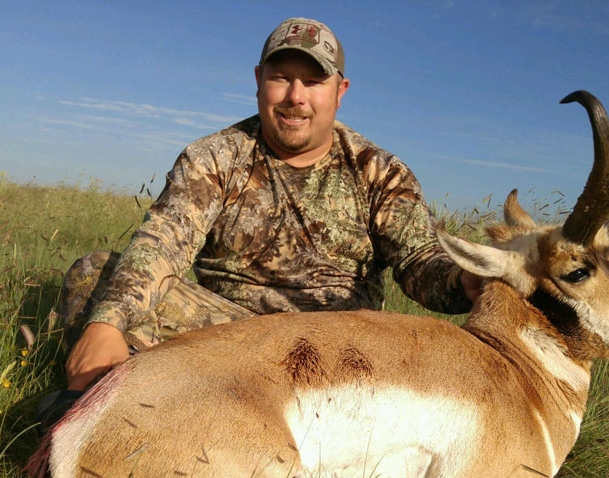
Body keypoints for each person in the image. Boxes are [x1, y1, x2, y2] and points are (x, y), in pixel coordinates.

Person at [52, 17, 480, 408]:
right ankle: (107, 415)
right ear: (259, 80)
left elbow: (420, 260)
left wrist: (467, 280)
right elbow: (163, 243)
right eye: (282, 78)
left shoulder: (379, 172)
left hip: (337, 357)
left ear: (339, 91)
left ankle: (175, 404)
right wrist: (108, 323)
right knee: (96, 276)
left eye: (313, 81)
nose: (296, 97)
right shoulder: (213, 158)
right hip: (230, 340)